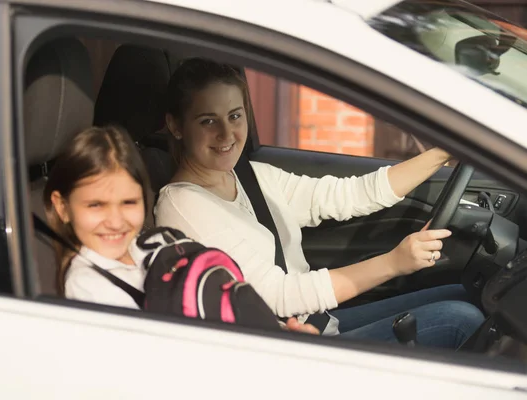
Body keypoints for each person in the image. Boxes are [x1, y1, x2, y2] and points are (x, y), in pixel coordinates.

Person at [154, 58, 484, 348]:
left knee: (464, 294)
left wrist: (445, 150)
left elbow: (350, 195)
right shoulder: (183, 203)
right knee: (460, 319)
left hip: (319, 322)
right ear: (175, 126)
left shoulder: (251, 176)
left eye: (235, 116)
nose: (227, 134)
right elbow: (277, 295)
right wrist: (394, 262)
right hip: (282, 347)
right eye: (208, 121)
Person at [43, 125, 318, 334]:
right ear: (62, 207)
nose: (115, 221)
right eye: (96, 206)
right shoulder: (89, 285)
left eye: (129, 202)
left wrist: (277, 333)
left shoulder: (147, 245)